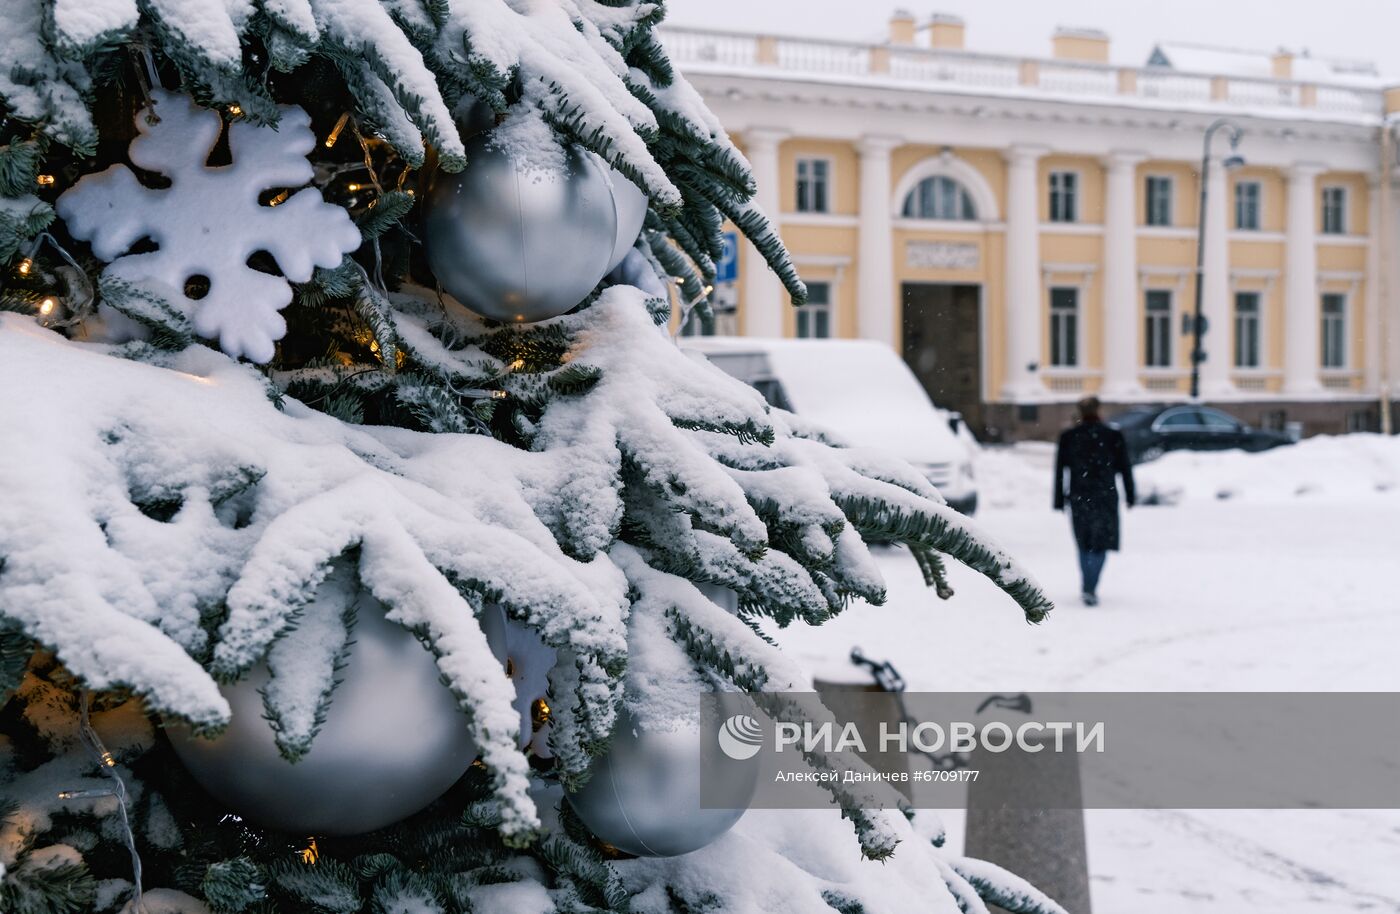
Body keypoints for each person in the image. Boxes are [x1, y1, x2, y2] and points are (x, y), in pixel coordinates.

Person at [1053, 396, 1135, 605]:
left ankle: (1087, 585)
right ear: (1099, 411)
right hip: (1105, 496)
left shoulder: (1070, 436)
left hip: (1079, 495)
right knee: (1100, 543)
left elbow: (1060, 470)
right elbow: (1125, 467)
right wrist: (1131, 494)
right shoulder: (1112, 436)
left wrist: (1059, 499)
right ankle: (1091, 586)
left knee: (1083, 543)